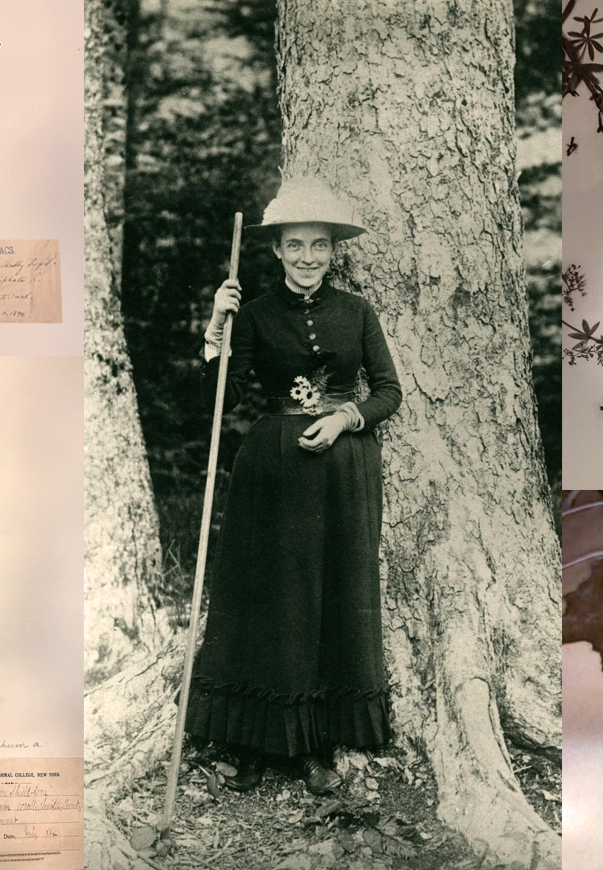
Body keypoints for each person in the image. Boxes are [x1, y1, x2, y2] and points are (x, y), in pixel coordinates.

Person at [183, 177, 402, 796]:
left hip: (342, 471)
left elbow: (389, 392)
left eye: (319, 246)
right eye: (295, 245)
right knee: (270, 600)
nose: (308, 257)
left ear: (334, 251)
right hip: (272, 472)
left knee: (330, 598)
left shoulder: (357, 313)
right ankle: (258, 741)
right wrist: (214, 331)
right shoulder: (251, 314)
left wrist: (343, 417)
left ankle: (313, 746)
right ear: (276, 250)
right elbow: (215, 401)